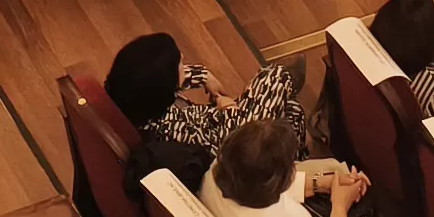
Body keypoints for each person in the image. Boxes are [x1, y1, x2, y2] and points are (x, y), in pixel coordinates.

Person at [194, 116, 361, 217]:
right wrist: (340, 207)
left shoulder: (218, 170)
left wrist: (321, 183)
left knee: (331, 169)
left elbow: (255, 181)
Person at [104, 31, 306, 157]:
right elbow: (223, 147)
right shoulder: (168, 134)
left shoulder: (131, 94)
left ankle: (295, 158)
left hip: (209, 122)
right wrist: (228, 109)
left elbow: (157, 78)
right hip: (234, 146)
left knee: (290, 111)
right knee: (275, 78)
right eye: (179, 63)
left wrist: (203, 76)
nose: (183, 58)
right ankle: (290, 168)